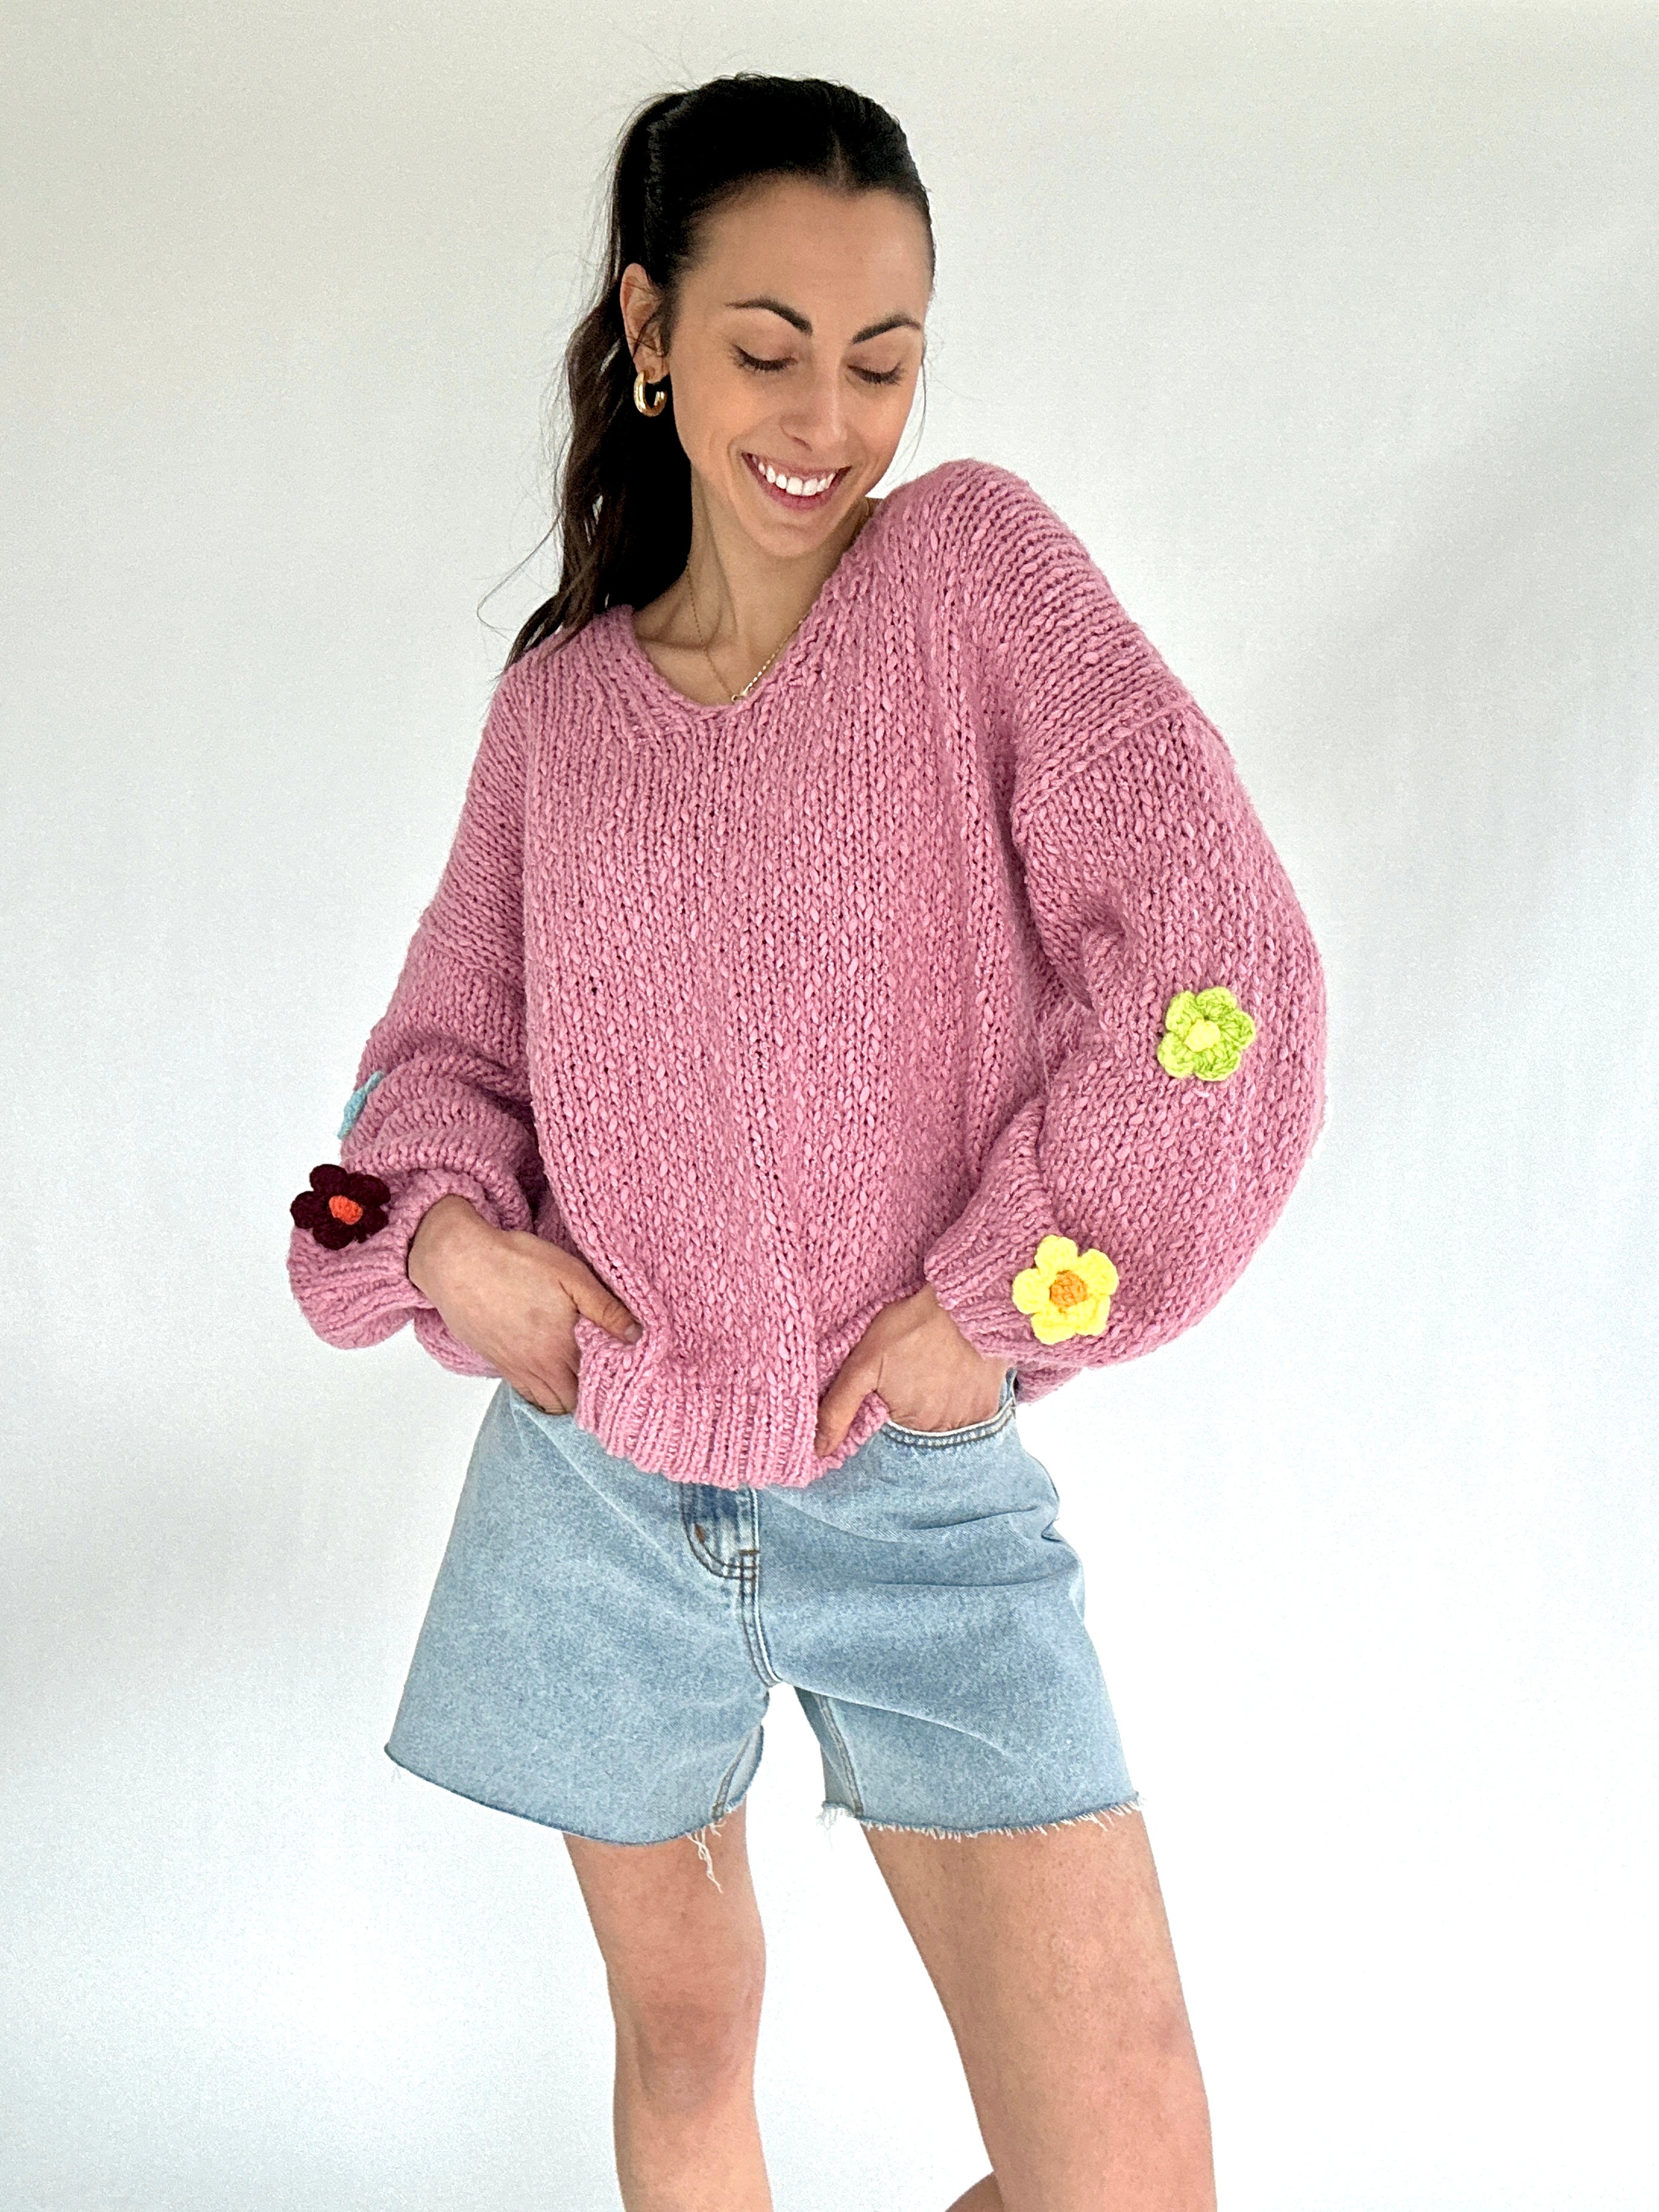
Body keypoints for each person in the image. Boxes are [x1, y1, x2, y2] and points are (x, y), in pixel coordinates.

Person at [287, 71, 1326, 2212]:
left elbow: (1210, 962)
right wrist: (445, 1249)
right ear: (650, 330)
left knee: (1126, 2171)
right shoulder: (557, 714)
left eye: (883, 356)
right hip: (596, 1497)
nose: (827, 417)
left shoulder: (970, 578)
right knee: (686, 2045)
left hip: (915, 1496)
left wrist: (999, 1294)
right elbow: (405, 1103)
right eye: (768, 348)